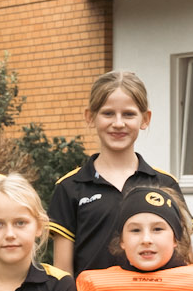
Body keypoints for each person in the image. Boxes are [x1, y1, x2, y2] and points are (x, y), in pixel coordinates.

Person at [48, 71, 182, 276]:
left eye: (128, 114)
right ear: (90, 117)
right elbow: (63, 271)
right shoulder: (70, 187)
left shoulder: (165, 183)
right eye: (108, 113)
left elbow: (183, 255)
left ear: (145, 119)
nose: (118, 123)